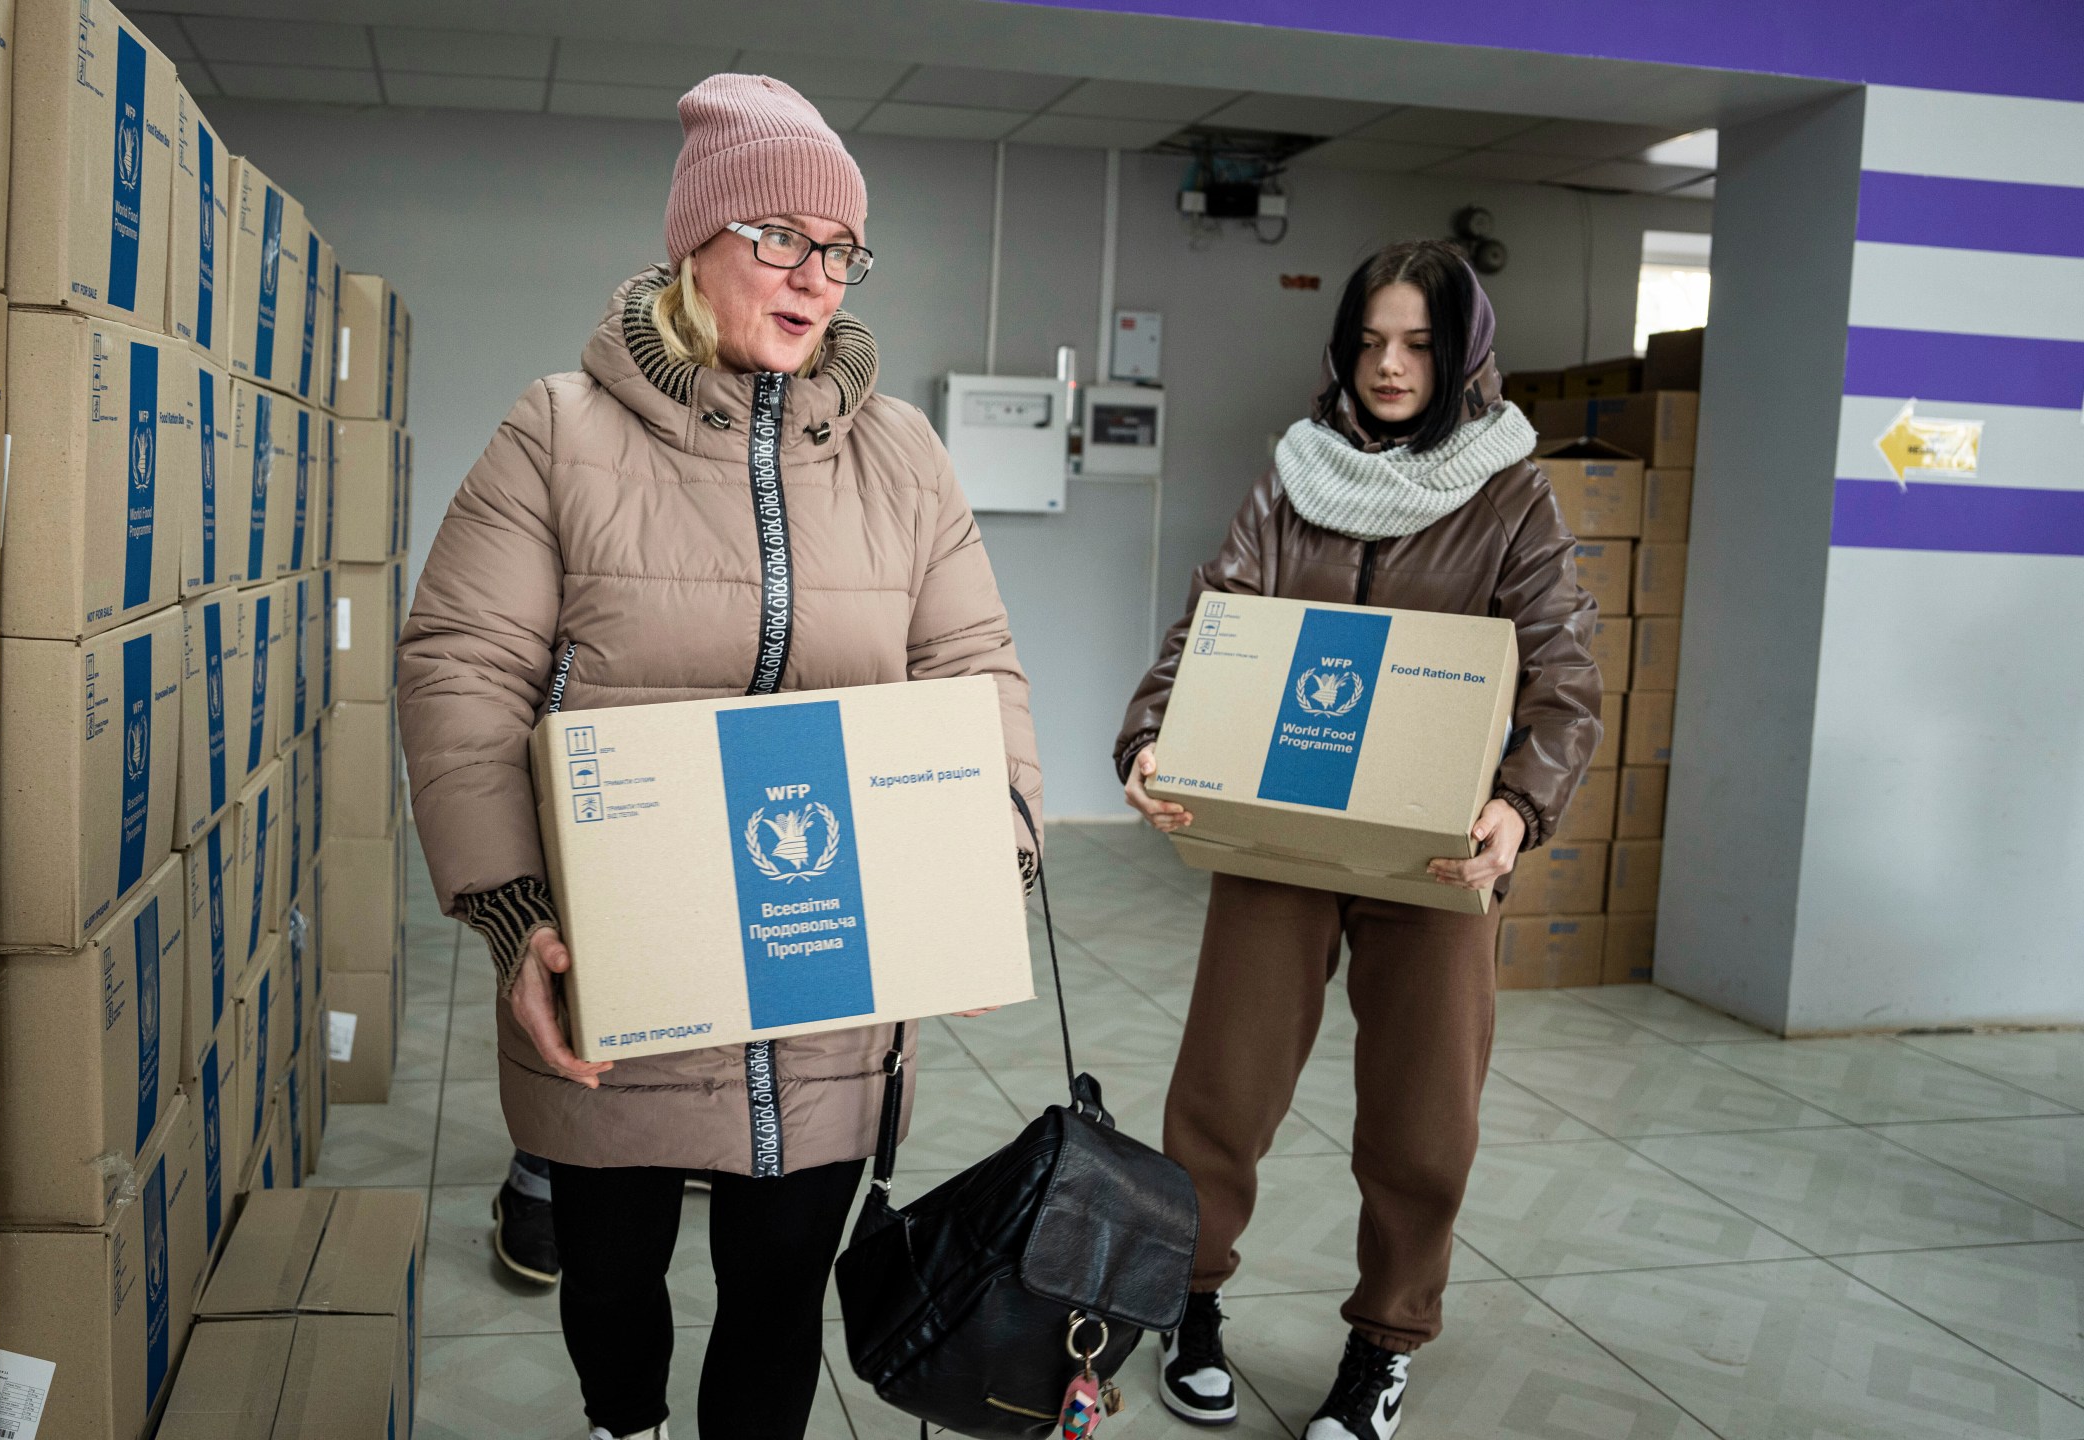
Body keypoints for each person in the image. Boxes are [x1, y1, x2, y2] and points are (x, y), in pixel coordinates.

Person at [397, 73, 1042, 1440]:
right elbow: (464, 667)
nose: (817, 274)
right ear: (694, 240)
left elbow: (975, 667)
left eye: (841, 247)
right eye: (780, 236)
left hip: (827, 979)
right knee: (616, 1278)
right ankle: (622, 1426)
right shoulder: (556, 431)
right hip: (624, 968)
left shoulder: (903, 457)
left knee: (777, 1292)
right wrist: (517, 915)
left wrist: (988, 858)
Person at [1114, 240, 1600, 1440]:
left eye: (1420, 344)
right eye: (1370, 341)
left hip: (1435, 856)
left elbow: (1566, 681)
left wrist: (1518, 806)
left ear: (1464, 356)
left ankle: (1384, 1340)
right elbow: (1208, 630)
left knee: (1421, 1117)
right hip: (1281, 837)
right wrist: (1147, 737)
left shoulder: (1509, 493)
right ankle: (1191, 1304)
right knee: (1219, 1095)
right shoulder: (1292, 480)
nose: (1390, 366)